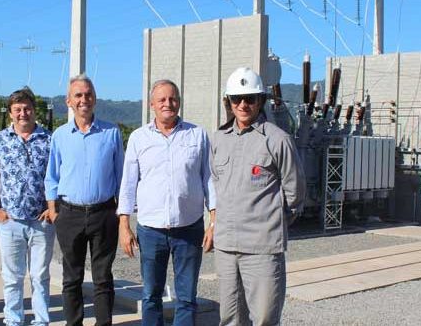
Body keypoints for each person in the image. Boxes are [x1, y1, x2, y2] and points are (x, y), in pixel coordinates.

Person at [210, 67, 306, 326]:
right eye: (236, 99)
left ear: (261, 101)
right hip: (227, 246)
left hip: (262, 248)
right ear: (228, 102)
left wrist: (273, 223)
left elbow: (295, 192)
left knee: (264, 318)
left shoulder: (277, 140)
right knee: (230, 318)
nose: (243, 104)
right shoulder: (218, 139)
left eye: (250, 98)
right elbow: (216, 184)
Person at [117, 79, 216, 326]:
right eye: (161, 99)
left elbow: (209, 180)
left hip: (189, 229)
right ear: (152, 105)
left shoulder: (197, 135)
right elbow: (128, 184)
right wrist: (124, 224)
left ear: (179, 102)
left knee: (186, 298)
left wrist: (214, 221)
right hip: (151, 231)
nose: (167, 104)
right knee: (151, 296)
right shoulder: (139, 138)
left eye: (172, 99)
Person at [44, 75, 124, 326]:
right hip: (70, 215)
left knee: (102, 278)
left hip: (104, 213)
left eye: (88, 94)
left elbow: (121, 177)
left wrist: (123, 217)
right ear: (69, 101)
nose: (83, 100)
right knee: (72, 278)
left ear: (95, 99)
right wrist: (54, 212)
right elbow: (51, 177)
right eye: (78, 95)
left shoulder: (111, 133)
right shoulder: (59, 135)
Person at [0, 87, 54, 326]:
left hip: (41, 221)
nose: (23, 113)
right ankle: (13, 319)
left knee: (40, 275)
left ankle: (41, 320)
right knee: (12, 277)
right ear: (11, 113)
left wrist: (52, 208)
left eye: (27, 109)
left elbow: (59, 177)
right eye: (17, 110)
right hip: (10, 220)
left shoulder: (49, 139)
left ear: (34, 111)